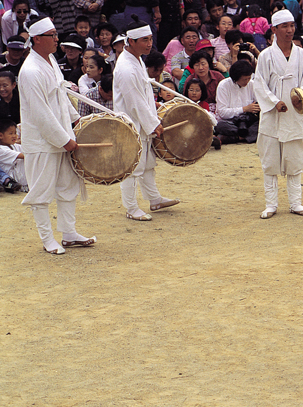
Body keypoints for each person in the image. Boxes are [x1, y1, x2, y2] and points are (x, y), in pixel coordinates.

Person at [19, 16, 96, 254]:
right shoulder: (30, 71)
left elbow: (61, 95)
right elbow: (40, 113)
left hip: (62, 133)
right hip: (42, 142)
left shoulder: (51, 59)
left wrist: (75, 119)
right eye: (52, 35)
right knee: (41, 191)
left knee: (67, 185)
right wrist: (64, 141)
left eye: (56, 34)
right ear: (37, 39)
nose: (57, 39)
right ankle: (47, 238)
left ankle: (69, 233)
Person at [113, 16, 179, 222]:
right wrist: (153, 123)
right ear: (131, 42)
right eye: (145, 40)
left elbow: (142, 95)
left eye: (150, 39)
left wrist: (153, 108)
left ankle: (154, 198)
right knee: (132, 166)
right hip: (131, 122)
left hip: (141, 119)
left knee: (147, 162)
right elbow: (133, 101)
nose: (150, 44)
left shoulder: (137, 59)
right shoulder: (125, 66)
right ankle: (131, 207)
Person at [253, 10, 303, 219]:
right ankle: (271, 204)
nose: (290, 30)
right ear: (274, 30)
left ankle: (295, 202)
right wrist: (274, 102)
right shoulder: (266, 56)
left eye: (292, 26)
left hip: (294, 112)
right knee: (270, 159)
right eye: (284, 26)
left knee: (294, 158)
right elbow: (259, 83)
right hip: (272, 113)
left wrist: (300, 96)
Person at [215, 60, 259, 144]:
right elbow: (222, 113)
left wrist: (257, 107)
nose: (247, 82)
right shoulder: (223, 86)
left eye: (248, 78)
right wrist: (244, 109)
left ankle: (236, 138)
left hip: (248, 121)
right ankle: (246, 137)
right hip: (231, 121)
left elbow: (259, 103)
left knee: (262, 124)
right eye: (244, 79)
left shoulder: (252, 84)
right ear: (235, 78)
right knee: (220, 125)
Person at [0, 118, 27, 191]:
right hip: (16, 182)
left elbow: (29, 150)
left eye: (15, 133)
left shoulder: (15, 146)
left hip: (24, 183)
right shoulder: (1, 150)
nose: (15, 136)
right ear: (1, 136)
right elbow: (25, 156)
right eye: (11, 133)